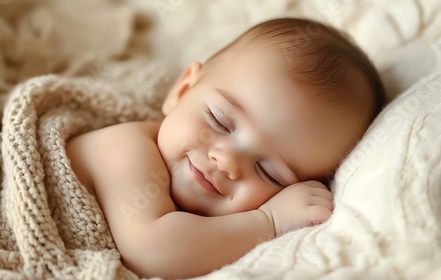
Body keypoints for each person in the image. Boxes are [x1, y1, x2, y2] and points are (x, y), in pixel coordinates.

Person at [66, 17, 385, 279]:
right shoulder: (124, 148)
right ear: (182, 89)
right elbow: (152, 251)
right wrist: (268, 222)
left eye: (268, 172)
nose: (227, 160)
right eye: (219, 121)